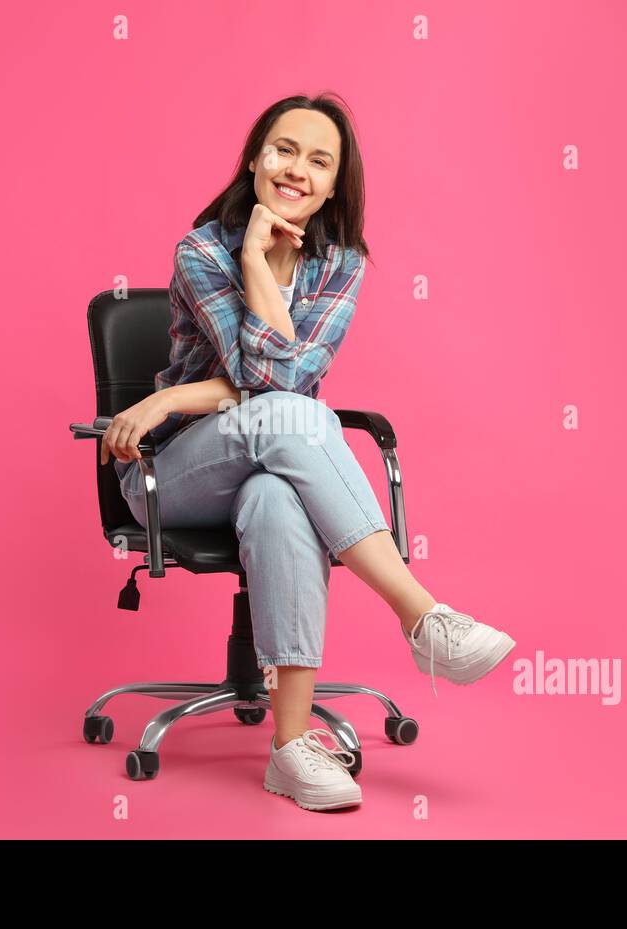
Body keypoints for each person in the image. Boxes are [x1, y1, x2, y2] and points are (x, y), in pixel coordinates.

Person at [100, 93, 516, 812]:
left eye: (318, 161)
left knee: (279, 495)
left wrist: (172, 387)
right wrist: (249, 257)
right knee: (294, 414)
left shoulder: (339, 263)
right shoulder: (201, 250)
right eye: (284, 149)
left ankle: (291, 748)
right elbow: (271, 381)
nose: (297, 169)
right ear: (256, 158)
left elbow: (279, 380)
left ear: (332, 186)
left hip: (273, 454)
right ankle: (421, 615)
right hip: (169, 473)